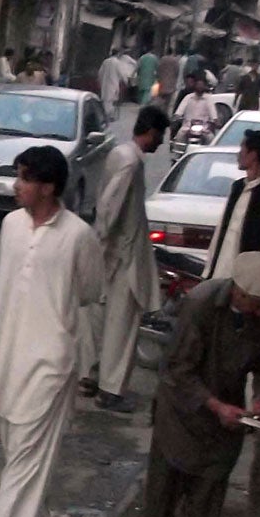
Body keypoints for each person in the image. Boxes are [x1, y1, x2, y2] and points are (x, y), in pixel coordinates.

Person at [0, 145, 103, 517]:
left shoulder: (79, 235)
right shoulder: (10, 225)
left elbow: (90, 291)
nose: (16, 186)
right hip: (7, 350)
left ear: (48, 186)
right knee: (17, 443)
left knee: (28, 445)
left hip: (50, 354)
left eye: (25, 178)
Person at [144, 251, 260, 517]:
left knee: (208, 489)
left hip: (226, 410)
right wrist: (214, 405)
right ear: (240, 293)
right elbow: (178, 369)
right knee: (163, 495)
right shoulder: (201, 304)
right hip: (181, 411)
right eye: (257, 305)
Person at [88, 106, 164, 412]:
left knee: (101, 319)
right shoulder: (131, 161)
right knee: (122, 325)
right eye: (162, 135)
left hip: (113, 252)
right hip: (123, 255)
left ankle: (92, 376)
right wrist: (104, 243)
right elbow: (109, 206)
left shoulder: (120, 153)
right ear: (153, 132)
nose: (161, 141)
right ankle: (111, 390)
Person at [204, 129, 260, 282]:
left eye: (242, 149)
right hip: (220, 274)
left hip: (247, 280)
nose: (238, 154)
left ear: (253, 155)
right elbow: (220, 232)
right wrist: (208, 270)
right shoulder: (237, 187)